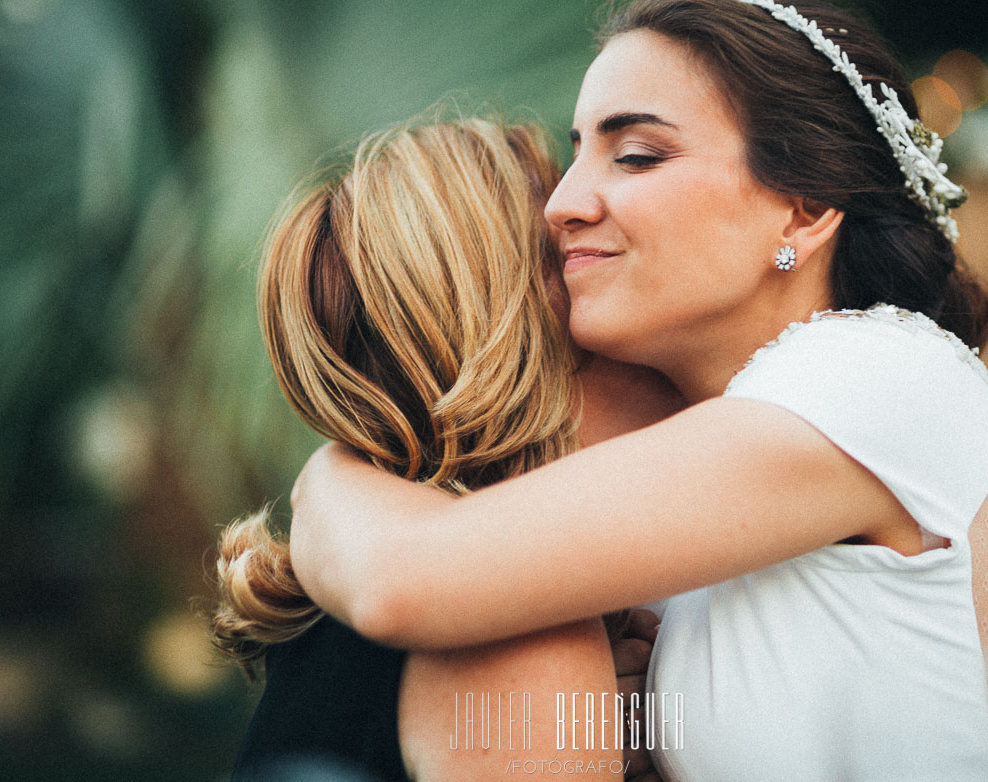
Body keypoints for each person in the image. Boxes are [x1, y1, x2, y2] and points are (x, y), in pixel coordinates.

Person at [288, 2, 988, 780]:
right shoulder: (735, 464)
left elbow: (406, 581)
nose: (562, 203)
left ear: (804, 210)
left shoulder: (873, 373)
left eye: (635, 155)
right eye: (577, 152)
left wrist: (330, 475)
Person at [211, 118, 679, 781]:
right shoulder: (510, 625)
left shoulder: (432, 583)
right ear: (522, 324)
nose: (584, 208)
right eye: (575, 254)